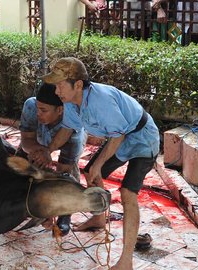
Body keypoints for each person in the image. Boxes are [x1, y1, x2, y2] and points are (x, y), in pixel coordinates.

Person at [42, 57, 159, 270]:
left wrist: (98, 165)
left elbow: (118, 136)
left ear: (77, 85)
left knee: (127, 193)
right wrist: (47, 151)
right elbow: (67, 130)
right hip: (121, 137)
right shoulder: (70, 102)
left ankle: (126, 261)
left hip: (142, 137)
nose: (56, 90)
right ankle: (98, 219)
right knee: (91, 172)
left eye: (59, 85)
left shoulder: (100, 100)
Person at [17, 82, 87, 235]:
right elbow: (26, 140)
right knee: (17, 170)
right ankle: (24, 204)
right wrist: (39, 153)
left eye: (44, 110)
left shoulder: (73, 126)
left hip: (68, 143)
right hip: (38, 142)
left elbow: (64, 169)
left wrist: (51, 208)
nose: (38, 113)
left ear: (60, 110)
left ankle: (65, 215)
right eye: (38, 108)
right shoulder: (31, 106)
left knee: (67, 178)